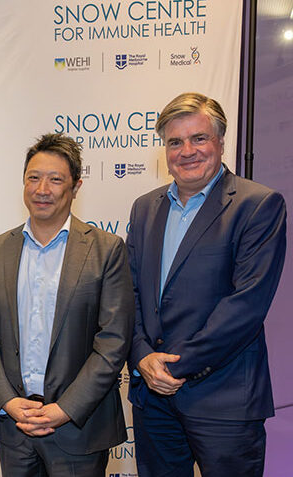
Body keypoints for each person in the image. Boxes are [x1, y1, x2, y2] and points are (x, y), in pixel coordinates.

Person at [127, 92, 286, 477]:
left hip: (224, 400)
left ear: (220, 141)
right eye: (175, 142)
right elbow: (128, 293)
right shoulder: (145, 208)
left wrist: (175, 368)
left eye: (199, 138)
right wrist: (141, 356)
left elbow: (245, 306)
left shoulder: (258, 205)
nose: (187, 151)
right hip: (152, 398)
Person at [0, 133, 134, 476]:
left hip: (78, 428)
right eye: (33, 177)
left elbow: (113, 342)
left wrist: (65, 409)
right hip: (14, 429)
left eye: (55, 179)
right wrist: (9, 401)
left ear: (76, 187)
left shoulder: (107, 250)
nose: (42, 189)